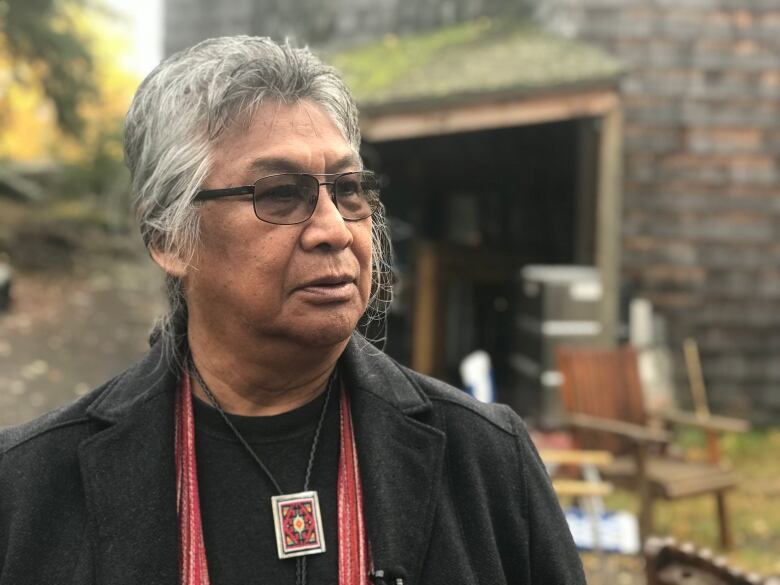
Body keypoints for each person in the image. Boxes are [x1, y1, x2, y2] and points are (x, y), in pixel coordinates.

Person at [0, 36, 585, 585]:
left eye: (349, 188)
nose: (334, 229)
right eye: (281, 194)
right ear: (168, 236)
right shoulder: (28, 487)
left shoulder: (487, 461)